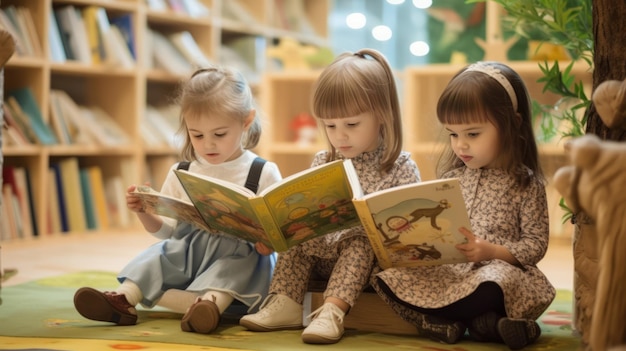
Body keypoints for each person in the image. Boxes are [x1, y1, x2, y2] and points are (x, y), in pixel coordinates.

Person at [73, 67, 282, 334]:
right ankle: (123, 299)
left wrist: (268, 243)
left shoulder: (263, 171)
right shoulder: (182, 171)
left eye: (219, 134)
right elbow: (167, 233)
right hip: (190, 257)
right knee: (160, 254)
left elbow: (278, 231)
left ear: (246, 121)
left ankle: (207, 306)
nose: (208, 145)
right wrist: (144, 212)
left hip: (241, 262)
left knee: (236, 265)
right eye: (197, 135)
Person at [239, 48, 421, 344]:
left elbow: (409, 232)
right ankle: (285, 302)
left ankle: (332, 312)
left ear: (382, 115)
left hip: (368, 263)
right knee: (299, 234)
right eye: (330, 125)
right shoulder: (324, 161)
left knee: (359, 240)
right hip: (325, 256)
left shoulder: (399, 166)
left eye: (351, 125)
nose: (340, 136)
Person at [371, 61, 556, 350]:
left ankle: (455, 321)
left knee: (494, 283)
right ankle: (483, 325)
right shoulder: (451, 179)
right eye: (453, 134)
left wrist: (493, 252)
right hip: (452, 273)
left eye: (472, 134)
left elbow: (535, 245)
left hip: (498, 273)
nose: (460, 146)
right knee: (384, 279)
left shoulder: (526, 183)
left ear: (513, 124)